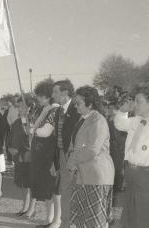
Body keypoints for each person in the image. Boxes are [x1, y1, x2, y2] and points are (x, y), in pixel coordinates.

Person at [67, 86, 114, 228]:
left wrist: (72, 161)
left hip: (95, 176)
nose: (75, 106)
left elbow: (92, 149)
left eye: (79, 103)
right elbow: (75, 143)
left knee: (95, 221)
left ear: (90, 103)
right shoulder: (83, 119)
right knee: (82, 220)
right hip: (83, 175)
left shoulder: (98, 121)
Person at [114, 84, 149, 228]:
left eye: (139, 101)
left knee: (145, 214)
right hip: (130, 171)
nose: (135, 105)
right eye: (134, 101)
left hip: (148, 174)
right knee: (130, 211)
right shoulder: (135, 120)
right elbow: (119, 124)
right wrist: (122, 111)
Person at [25, 81, 59, 227]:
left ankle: (52, 219)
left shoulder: (54, 110)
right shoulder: (42, 110)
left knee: (50, 188)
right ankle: (48, 218)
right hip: (39, 153)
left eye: (40, 96)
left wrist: (33, 130)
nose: (37, 98)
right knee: (44, 188)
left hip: (48, 154)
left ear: (47, 96)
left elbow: (46, 132)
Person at [48, 79, 81, 228]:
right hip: (62, 156)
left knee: (73, 193)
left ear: (65, 93)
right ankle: (64, 223)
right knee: (65, 192)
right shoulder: (59, 111)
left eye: (55, 92)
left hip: (74, 158)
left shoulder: (78, 110)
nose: (52, 95)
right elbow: (56, 138)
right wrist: (54, 161)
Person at [6, 97, 32, 216]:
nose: (20, 109)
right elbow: (10, 137)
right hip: (17, 157)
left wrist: (19, 149)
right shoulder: (16, 122)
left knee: (28, 183)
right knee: (22, 183)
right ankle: (25, 206)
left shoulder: (32, 121)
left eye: (23, 106)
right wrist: (10, 148)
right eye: (19, 106)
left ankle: (30, 208)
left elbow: (30, 140)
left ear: (29, 108)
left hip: (27, 157)